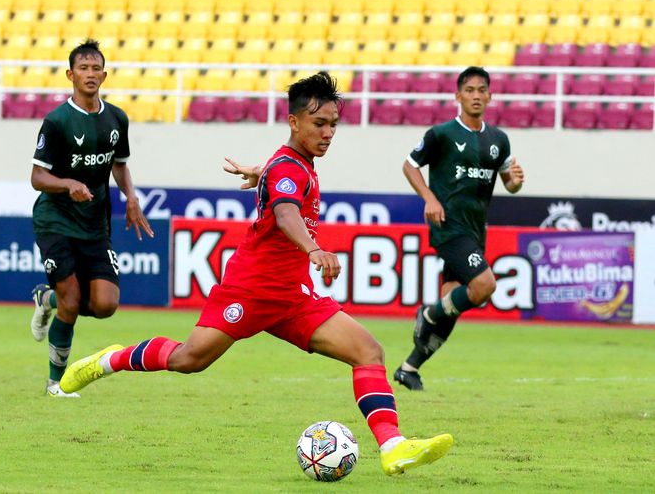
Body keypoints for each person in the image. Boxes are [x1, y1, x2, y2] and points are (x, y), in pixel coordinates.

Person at [60, 72, 453, 475]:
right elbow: (286, 213)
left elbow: (281, 182)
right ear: (294, 121)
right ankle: (112, 359)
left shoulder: (291, 164)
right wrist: (314, 248)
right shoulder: (289, 169)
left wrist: (263, 174)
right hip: (249, 290)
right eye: (319, 123)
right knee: (188, 360)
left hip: (293, 296)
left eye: (334, 124)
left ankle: (393, 447)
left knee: (368, 352)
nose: (328, 132)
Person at [29, 39, 154, 397]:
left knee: (105, 304)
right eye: (83, 68)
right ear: (70, 75)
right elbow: (37, 177)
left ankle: (46, 299)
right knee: (71, 300)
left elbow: (119, 165)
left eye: (96, 68)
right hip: (55, 220)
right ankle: (56, 382)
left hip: (95, 225)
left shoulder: (117, 118)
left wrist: (131, 196)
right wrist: (68, 184)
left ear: (104, 74)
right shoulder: (56, 121)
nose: (90, 74)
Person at [393, 66, 525, 391]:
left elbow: (509, 183)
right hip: (448, 226)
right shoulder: (442, 134)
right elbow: (409, 165)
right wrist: (429, 198)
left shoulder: (499, 140)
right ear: (458, 96)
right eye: (470, 90)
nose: (476, 95)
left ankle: (409, 367)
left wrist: (515, 182)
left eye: (482, 90)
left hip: (475, 230)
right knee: (484, 285)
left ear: (490, 96)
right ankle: (427, 314)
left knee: (449, 307)